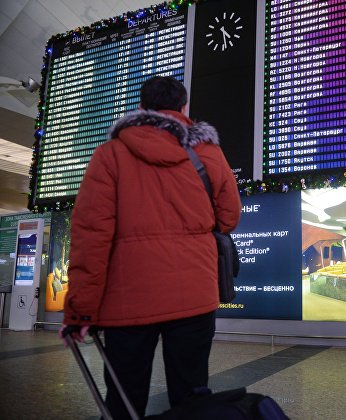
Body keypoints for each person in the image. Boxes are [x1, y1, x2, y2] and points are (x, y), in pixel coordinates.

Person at [59, 76, 242, 419]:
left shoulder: (110, 154)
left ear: (141, 107)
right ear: (184, 108)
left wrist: (81, 311)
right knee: (192, 398)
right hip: (194, 294)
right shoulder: (208, 153)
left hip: (127, 301)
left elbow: (91, 234)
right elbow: (229, 217)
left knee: (124, 399)